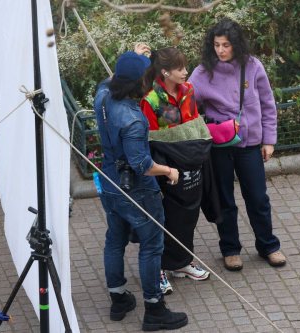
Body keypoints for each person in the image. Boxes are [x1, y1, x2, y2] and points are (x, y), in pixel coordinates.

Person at [93, 45, 188, 331]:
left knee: (115, 239)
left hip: (109, 183)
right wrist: (169, 171)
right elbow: (141, 164)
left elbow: (112, 78)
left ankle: (118, 299)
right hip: (137, 191)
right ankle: (154, 309)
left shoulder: (103, 95)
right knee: (151, 246)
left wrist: (134, 57)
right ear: (139, 84)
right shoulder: (133, 120)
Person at [188, 19, 287, 271]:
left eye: (226, 45)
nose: (221, 50)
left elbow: (268, 104)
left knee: (258, 198)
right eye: (217, 45)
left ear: (237, 45)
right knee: (223, 200)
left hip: (250, 145)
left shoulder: (253, 67)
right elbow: (186, 106)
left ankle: (268, 246)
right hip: (219, 147)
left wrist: (269, 140)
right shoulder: (201, 73)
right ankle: (230, 249)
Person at [140, 47, 214, 295]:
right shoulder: (150, 100)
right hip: (168, 167)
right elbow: (151, 140)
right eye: (180, 68)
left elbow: (192, 125)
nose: (186, 72)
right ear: (164, 72)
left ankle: (181, 263)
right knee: (166, 218)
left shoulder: (189, 91)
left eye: (185, 67)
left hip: (190, 163)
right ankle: (159, 268)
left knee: (188, 217)